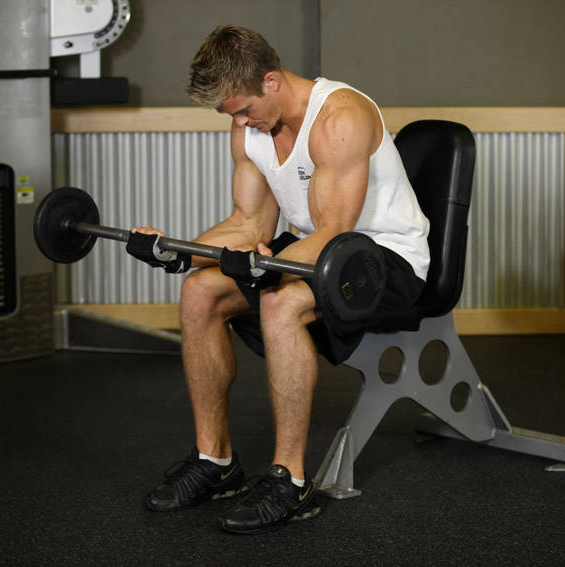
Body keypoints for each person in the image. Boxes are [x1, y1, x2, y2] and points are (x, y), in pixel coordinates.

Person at [126, 24, 430, 534]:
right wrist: (177, 252)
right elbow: (249, 225)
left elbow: (335, 230)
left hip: (384, 258)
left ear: (271, 81)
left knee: (281, 302)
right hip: (323, 251)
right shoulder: (251, 125)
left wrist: (261, 265)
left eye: (244, 109)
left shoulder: (339, 117)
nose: (241, 123)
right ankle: (215, 460)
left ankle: (290, 479)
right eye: (232, 116)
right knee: (200, 290)